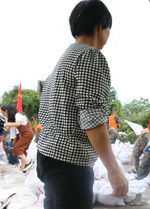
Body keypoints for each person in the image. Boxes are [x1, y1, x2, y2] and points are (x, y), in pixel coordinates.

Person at [36, 1, 128, 209]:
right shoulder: (90, 56)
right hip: (69, 164)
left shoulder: (64, 59)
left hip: (48, 156)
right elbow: (92, 118)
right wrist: (113, 170)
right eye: (108, 29)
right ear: (99, 27)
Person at [2, 104, 33, 172]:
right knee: (22, 151)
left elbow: (18, 124)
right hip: (25, 134)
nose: (5, 114)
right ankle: (23, 168)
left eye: (5, 112)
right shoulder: (15, 116)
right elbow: (7, 129)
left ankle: (28, 163)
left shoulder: (18, 115)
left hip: (26, 134)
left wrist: (8, 124)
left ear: (8, 111)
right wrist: (4, 126)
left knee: (17, 149)